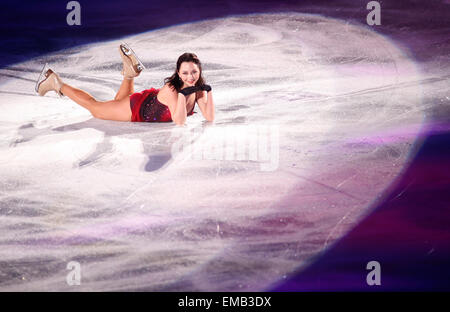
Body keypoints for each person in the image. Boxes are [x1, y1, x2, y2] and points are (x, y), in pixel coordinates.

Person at [35, 44, 215, 125]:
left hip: (142, 104)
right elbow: (179, 121)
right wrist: (184, 95)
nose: (190, 77)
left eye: (194, 72)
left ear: (200, 71)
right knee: (95, 108)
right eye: (185, 73)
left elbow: (209, 117)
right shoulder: (172, 89)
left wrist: (208, 91)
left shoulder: (198, 88)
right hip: (137, 109)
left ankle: (129, 74)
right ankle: (56, 82)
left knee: (116, 100)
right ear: (178, 73)